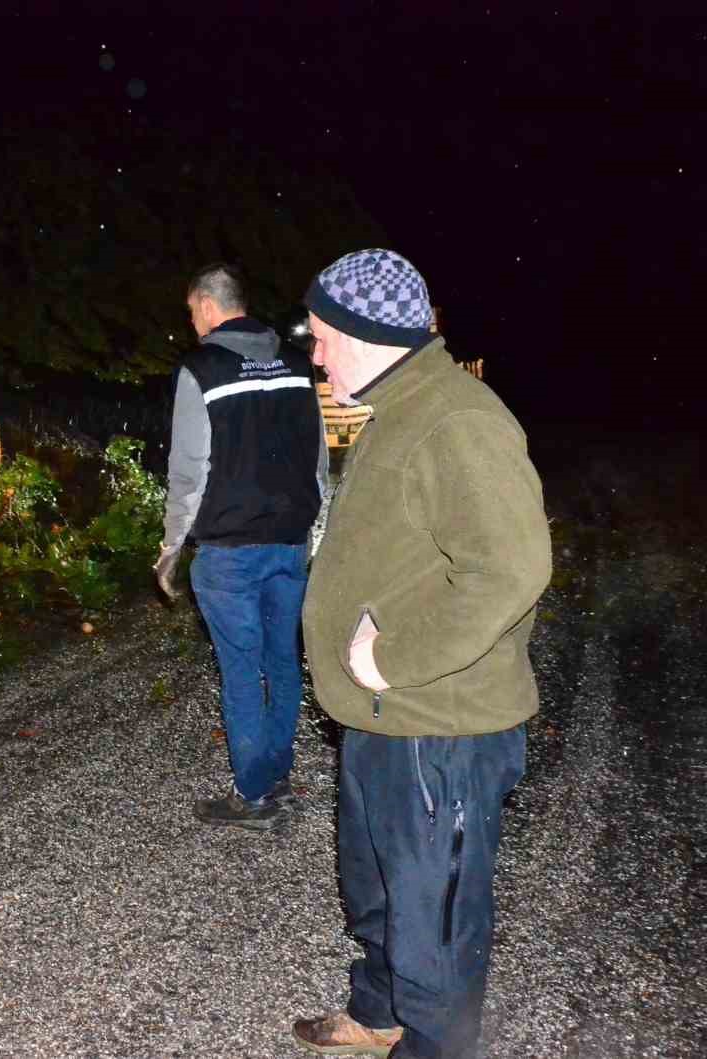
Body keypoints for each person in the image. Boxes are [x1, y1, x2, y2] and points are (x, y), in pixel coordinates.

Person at [291, 249, 551, 1058]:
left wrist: (392, 658)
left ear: (369, 335)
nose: (316, 353)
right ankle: (377, 1016)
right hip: (383, 721)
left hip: (437, 727)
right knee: (377, 893)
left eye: (324, 336)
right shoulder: (401, 409)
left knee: (432, 921)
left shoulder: (456, 420)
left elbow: (510, 568)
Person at [154, 263, 327, 830]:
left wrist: (171, 550)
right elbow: (317, 459)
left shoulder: (200, 369)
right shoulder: (299, 365)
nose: (192, 323)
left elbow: (188, 472)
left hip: (230, 550)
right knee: (282, 661)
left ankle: (252, 794)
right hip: (289, 544)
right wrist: (315, 533)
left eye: (191, 312)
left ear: (207, 307)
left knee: (241, 670)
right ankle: (274, 773)